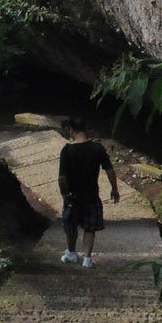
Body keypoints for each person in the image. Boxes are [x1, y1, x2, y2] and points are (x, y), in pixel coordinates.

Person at [58, 114, 119, 267]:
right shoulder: (97, 149)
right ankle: (87, 258)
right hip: (91, 194)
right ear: (86, 130)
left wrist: (64, 193)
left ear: (71, 131)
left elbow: (62, 178)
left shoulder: (67, 151)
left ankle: (71, 253)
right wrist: (114, 189)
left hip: (72, 195)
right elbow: (110, 170)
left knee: (71, 226)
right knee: (89, 227)